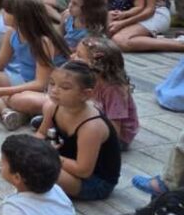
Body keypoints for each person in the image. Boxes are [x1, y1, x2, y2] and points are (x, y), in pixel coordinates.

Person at [0, 0, 72, 130]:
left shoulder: (43, 41)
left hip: (44, 89)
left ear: (19, 16)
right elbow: (0, 62)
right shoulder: (11, 32)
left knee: (18, 100)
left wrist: (2, 91)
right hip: (21, 79)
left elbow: (40, 83)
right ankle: (7, 111)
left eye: (6, 11)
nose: (3, 14)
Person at [34, 61, 121, 201]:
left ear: (85, 94)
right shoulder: (53, 107)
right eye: (52, 83)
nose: (54, 90)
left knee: (35, 167)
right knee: (16, 157)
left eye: (65, 87)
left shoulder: (91, 127)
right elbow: (41, 133)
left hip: (95, 181)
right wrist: (32, 148)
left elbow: (83, 171)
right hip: (66, 164)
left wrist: (49, 154)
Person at [76, 36, 139, 150]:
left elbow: (115, 126)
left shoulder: (113, 89)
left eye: (79, 56)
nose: (72, 57)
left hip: (118, 137)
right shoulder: (88, 78)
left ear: (96, 64)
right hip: (96, 121)